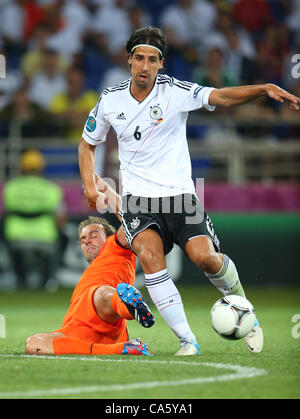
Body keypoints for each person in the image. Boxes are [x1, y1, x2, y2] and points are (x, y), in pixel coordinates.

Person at [78, 26, 300, 356]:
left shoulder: (175, 92)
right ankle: (187, 341)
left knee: (205, 258)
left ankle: (245, 310)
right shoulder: (110, 100)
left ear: (161, 63)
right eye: (139, 58)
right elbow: (87, 144)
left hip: (183, 196)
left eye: (152, 60)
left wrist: (263, 89)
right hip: (137, 201)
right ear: (129, 61)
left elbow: (222, 96)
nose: (145, 66)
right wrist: (89, 185)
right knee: (152, 260)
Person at [25, 216, 153, 356]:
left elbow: (131, 223)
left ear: (108, 238)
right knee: (33, 343)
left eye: (93, 235)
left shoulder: (115, 247)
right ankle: (124, 347)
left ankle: (127, 307)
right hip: (77, 332)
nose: (87, 241)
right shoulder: (89, 274)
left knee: (101, 293)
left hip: (104, 315)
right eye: (82, 239)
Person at [2, 149, 66, 289]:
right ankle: (49, 280)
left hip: (15, 236)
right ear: (42, 168)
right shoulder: (51, 189)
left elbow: (6, 214)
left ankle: (19, 280)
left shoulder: (10, 187)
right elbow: (60, 220)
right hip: (45, 237)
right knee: (63, 237)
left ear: (21, 167)